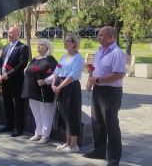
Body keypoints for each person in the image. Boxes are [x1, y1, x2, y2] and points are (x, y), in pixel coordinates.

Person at [84, 26, 126, 166]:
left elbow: (119, 74)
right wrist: (91, 80)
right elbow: (96, 70)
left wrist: (98, 80)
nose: (98, 38)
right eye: (99, 35)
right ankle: (99, 151)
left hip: (110, 93)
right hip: (98, 90)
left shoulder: (117, 52)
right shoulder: (99, 50)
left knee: (111, 125)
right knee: (97, 122)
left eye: (101, 36)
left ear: (111, 37)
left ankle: (114, 158)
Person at [21, 39, 57, 143]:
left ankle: (45, 135)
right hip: (32, 90)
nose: (39, 46)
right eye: (38, 44)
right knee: (36, 113)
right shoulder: (35, 58)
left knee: (46, 113)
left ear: (47, 47)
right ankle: (38, 132)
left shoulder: (50, 59)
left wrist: (45, 81)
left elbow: (56, 73)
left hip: (44, 90)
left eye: (41, 45)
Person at [52, 34, 83, 153]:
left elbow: (72, 75)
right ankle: (67, 142)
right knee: (64, 114)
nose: (65, 43)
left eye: (68, 41)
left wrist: (59, 86)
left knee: (72, 114)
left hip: (71, 87)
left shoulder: (78, 58)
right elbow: (57, 70)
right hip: (60, 85)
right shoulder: (64, 56)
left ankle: (74, 145)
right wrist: (53, 84)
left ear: (74, 43)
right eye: (64, 41)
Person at [0, 26, 29, 137]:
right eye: (8, 33)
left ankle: (18, 128)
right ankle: (8, 125)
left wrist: (8, 75)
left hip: (16, 81)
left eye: (11, 33)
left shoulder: (23, 47)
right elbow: (0, 62)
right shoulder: (5, 47)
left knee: (18, 105)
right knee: (7, 103)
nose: (9, 35)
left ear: (18, 34)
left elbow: (22, 64)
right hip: (4, 81)